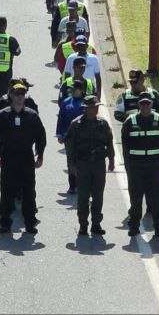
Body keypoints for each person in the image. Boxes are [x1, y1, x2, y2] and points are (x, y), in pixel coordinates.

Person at [0, 82, 46, 234]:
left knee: (28, 191)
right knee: (7, 191)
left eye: (22, 94)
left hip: (26, 157)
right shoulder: (3, 115)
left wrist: (40, 154)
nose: (20, 97)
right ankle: (5, 223)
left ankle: (30, 223)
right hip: (8, 157)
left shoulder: (32, 115)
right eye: (16, 94)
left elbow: (41, 136)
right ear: (11, 95)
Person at [65, 95, 115, 237]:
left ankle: (96, 224)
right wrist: (71, 166)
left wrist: (111, 160)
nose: (95, 109)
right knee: (83, 196)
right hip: (83, 165)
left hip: (99, 164)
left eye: (96, 106)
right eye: (92, 107)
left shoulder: (103, 124)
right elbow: (69, 147)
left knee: (98, 196)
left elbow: (109, 143)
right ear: (86, 109)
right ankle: (83, 225)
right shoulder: (76, 124)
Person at [122, 95, 159, 239]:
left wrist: (154, 154)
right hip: (136, 166)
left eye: (147, 104)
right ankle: (134, 226)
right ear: (138, 105)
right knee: (135, 197)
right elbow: (125, 144)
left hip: (154, 165)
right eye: (142, 104)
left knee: (156, 197)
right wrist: (129, 165)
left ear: (152, 104)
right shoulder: (130, 122)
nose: (145, 107)